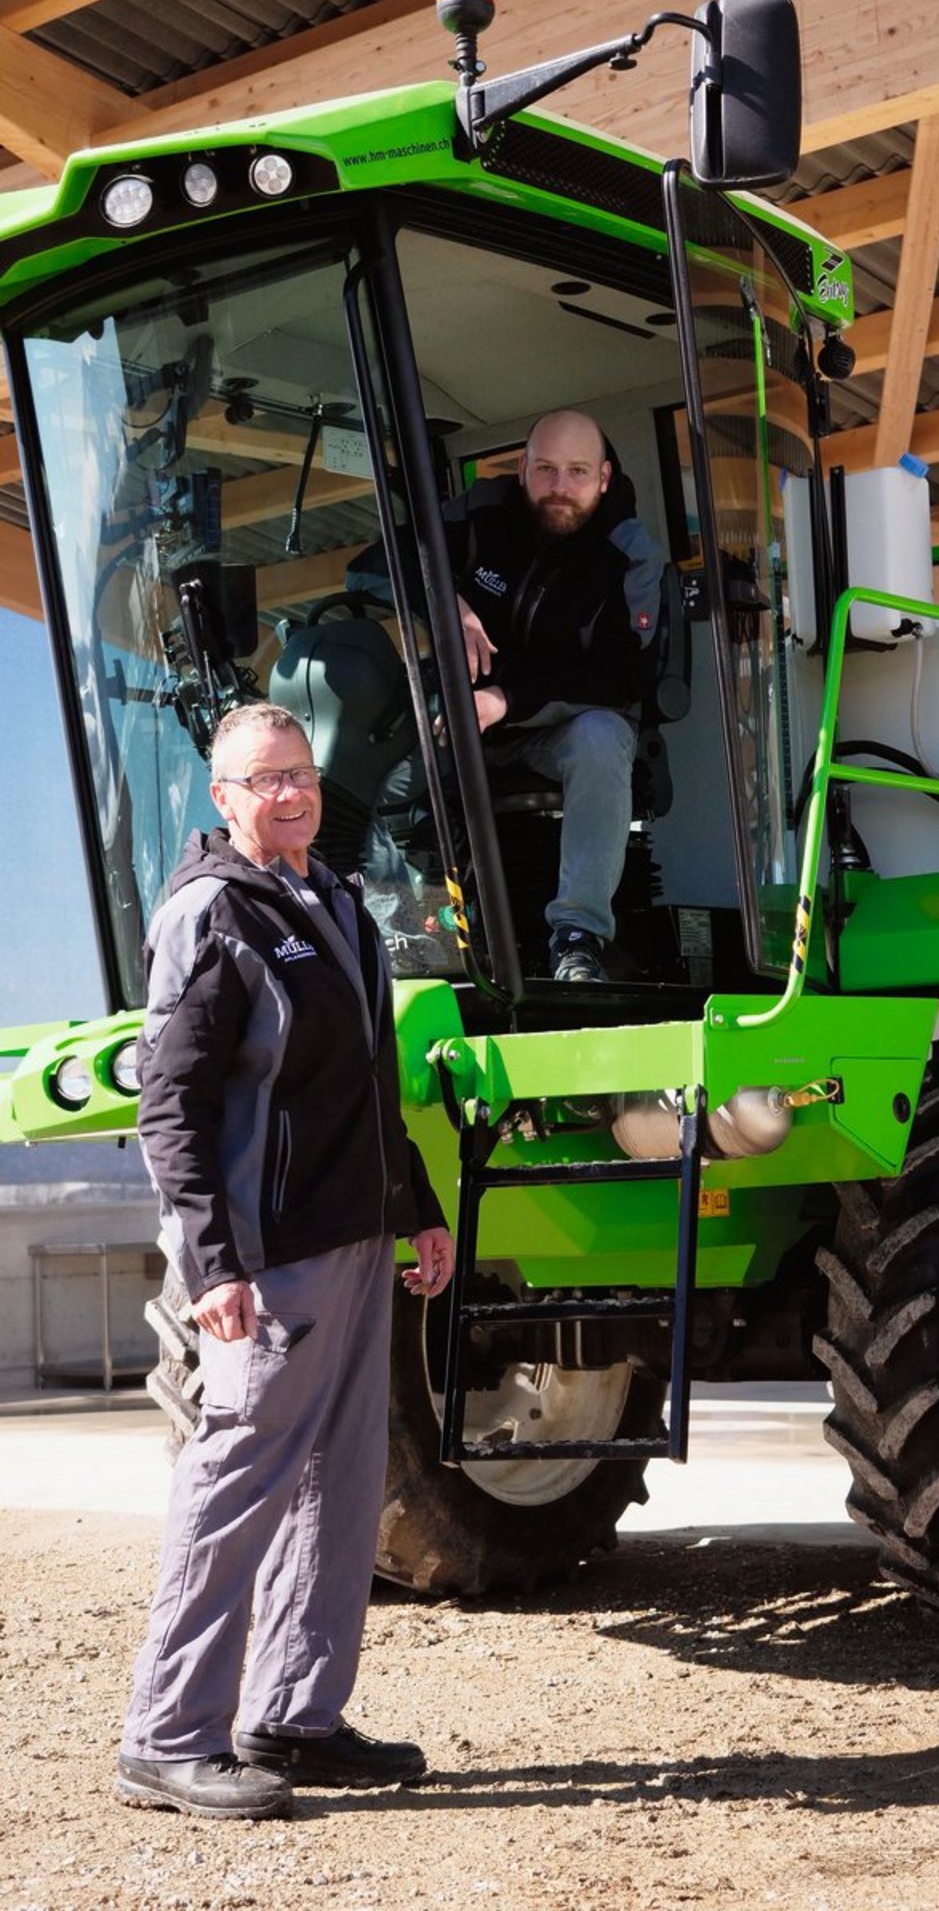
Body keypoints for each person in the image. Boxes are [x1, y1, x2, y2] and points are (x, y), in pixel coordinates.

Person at [116, 701, 454, 1822]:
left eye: (301, 774)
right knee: (235, 1487)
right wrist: (210, 1262)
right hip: (267, 1263)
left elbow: (367, 1082)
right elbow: (171, 1104)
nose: (290, 795)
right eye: (264, 781)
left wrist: (421, 1212)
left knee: (341, 1490)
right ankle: (168, 1736)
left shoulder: (337, 903)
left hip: (355, 1241)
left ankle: (294, 1719)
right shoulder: (213, 914)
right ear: (222, 797)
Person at [445, 408, 664, 983]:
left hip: (551, 730)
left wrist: (505, 700)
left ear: (605, 477)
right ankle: (388, 920)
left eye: (576, 472)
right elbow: (377, 565)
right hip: (458, 726)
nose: (559, 488)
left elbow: (623, 679)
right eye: (546, 470)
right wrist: (444, 601)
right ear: (522, 469)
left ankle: (578, 937)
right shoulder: (483, 511)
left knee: (602, 735)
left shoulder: (629, 553)